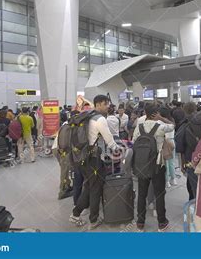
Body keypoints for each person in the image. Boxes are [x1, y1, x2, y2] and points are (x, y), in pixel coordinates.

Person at [70, 95, 123, 230]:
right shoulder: (99, 119)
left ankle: (76, 214)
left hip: (82, 158)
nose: (108, 107)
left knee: (89, 186)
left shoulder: (87, 115)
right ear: (98, 104)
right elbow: (110, 140)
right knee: (95, 189)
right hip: (94, 160)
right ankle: (93, 220)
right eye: (106, 104)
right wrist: (119, 150)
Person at [132, 103, 174, 232]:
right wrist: (162, 118)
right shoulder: (161, 126)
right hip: (157, 165)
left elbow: (134, 142)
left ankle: (140, 223)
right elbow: (173, 126)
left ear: (145, 112)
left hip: (141, 165)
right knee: (159, 194)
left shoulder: (139, 127)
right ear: (156, 113)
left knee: (142, 194)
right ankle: (162, 223)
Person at [159, 107, 177, 188]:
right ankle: (173, 179)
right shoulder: (171, 120)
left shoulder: (160, 122)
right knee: (172, 162)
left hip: (164, 143)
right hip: (172, 141)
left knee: (165, 163)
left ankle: (166, 181)